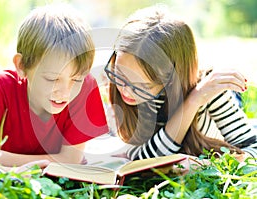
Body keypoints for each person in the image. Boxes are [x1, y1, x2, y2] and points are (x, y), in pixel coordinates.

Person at [0, 5, 109, 168]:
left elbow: (71, 159)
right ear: (21, 66)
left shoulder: (86, 87)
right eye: (52, 79)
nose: (65, 92)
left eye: (76, 79)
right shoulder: (0, 88)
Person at [104, 5, 257, 162]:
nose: (126, 92)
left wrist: (203, 166)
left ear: (171, 80)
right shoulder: (118, 89)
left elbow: (254, 150)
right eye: (120, 74)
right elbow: (141, 161)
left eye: (143, 86)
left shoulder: (208, 90)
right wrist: (191, 103)